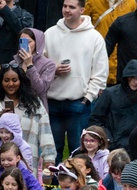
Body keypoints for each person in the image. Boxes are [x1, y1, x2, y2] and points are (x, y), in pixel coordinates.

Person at [45, 0, 109, 162]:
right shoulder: (50, 34)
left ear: (82, 9)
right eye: (65, 6)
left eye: (72, 7)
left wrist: (87, 99)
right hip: (52, 102)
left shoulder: (94, 37)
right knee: (52, 151)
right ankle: (51, 184)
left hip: (79, 103)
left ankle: (78, 186)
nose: (67, 10)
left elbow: (100, 74)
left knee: (79, 151)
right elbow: (40, 66)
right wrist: (54, 71)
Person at [0, 64, 55, 169]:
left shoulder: (34, 104)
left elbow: (46, 132)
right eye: (6, 80)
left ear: (21, 81)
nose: (11, 84)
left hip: (27, 162)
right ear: (1, 82)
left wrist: (49, 160)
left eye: (14, 80)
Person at [88, 59, 137, 151]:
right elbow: (95, 119)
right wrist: (107, 138)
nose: (135, 82)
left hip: (134, 148)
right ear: (127, 77)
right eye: (132, 77)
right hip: (109, 146)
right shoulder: (110, 94)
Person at [83, 0, 135, 85]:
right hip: (97, 67)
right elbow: (82, 28)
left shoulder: (131, 3)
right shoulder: (93, 2)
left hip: (122, 68)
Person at [13, 28, 55, 114]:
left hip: (36, 109)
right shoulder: (13, 63)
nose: (24, 45)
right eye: (22, 42)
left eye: (29, 42)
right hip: (16, 107)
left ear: (37, 43)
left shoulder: (48, 64)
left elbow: (41, 89)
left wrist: (30, 65)